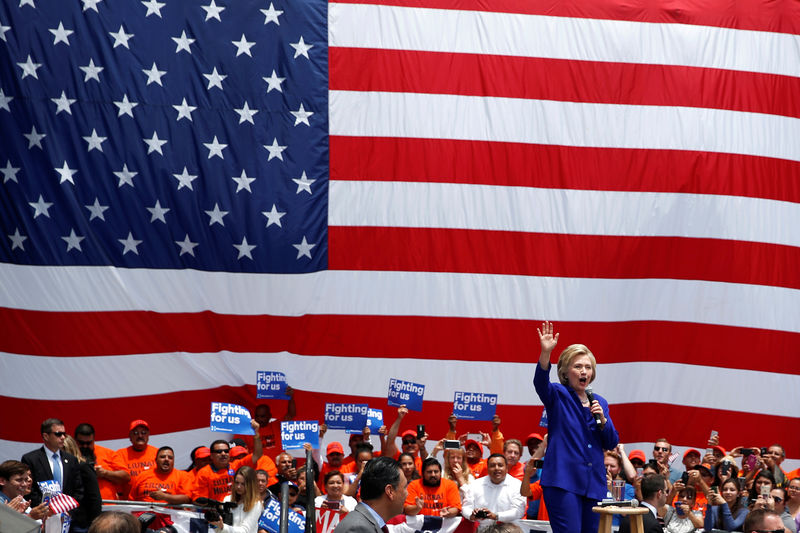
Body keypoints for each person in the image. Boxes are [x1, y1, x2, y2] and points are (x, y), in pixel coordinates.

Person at [533, 321, 619, 533]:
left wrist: (603, 420)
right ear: (565, 371)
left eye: (588, 367)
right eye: (578, 366)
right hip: (563, 482)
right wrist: (545, 354)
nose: (584, 371)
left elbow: (611, 441)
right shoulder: (558, 395)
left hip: (593, 484)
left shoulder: (600, 401)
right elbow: (540, 383)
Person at [333, 456, 408, 533]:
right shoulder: (358, 529)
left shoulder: (368, 524)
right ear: (390, 491)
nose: (407, 494)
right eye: (405, 487)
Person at [21, 418, 85, 508]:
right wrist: (46, 509)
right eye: (58, 434)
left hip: (67, 514)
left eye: (64, 434)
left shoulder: (71, 460)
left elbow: (78, 490)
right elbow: (29, 489)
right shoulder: (31, 459)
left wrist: (69, 510)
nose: (63, 437)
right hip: (42, 513)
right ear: (46, 436)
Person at [195, 421, 263, 500]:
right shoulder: (204, 473)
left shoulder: (237, 466)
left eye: (226, 451)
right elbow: (200, 499)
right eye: (219, 452)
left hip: (238, 509)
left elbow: (257, 454)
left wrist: (256, 433)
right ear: (212, 456)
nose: (223, 454)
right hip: (215, 510)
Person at [461, 454, 525, 528]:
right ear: (487, 468)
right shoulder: (476, 484)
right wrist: (472, 515)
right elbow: (466, 507)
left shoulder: (517, 484)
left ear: (507, 468)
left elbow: (519, 511)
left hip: (508, 529)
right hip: (482, 529)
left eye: (500, 465)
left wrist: (496, 516)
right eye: (492, 465)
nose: (496, 468)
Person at [74, 423, 130, 501]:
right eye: (81, 443)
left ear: (94, 440)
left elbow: (126, 476)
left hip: (107, 504)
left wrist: (105, 473)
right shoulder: (69, 455)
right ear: (75, 441)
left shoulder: (108, 453)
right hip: (79, 503)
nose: (85, 446)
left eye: (89, 443)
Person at [207, 466, 264, 533]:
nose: (239, 486)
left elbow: (245, 531)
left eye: (243, 484)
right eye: (237, 483)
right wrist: (216, 525)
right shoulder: (227, 499)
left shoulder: (256, 504)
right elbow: (220, 530)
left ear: (250, 485)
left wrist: (223, 526)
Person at [64, 435, 103, 531]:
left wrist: (94, 525)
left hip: (81, 524)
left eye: (61, 449)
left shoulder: (83, 466)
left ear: (69, 449)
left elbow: (95, 498)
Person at [128, 446, 192, 504]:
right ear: (156, 460)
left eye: (170, 458)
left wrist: (165, 497)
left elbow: (187, 499)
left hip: (169, 514)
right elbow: (132, 499)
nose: (166, 459)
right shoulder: (142, 475)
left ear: (173, 461)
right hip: (143, 514)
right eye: (162, 457)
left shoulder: (183, 476)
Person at [115, 420, 157, 497]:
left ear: (148, 435)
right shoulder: (120, 454)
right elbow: (117, 480)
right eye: (136, 433)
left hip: (152, 501)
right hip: (128, 503)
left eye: (143, 433)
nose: (140, 436)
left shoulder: (157, 453)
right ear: (130, 437)